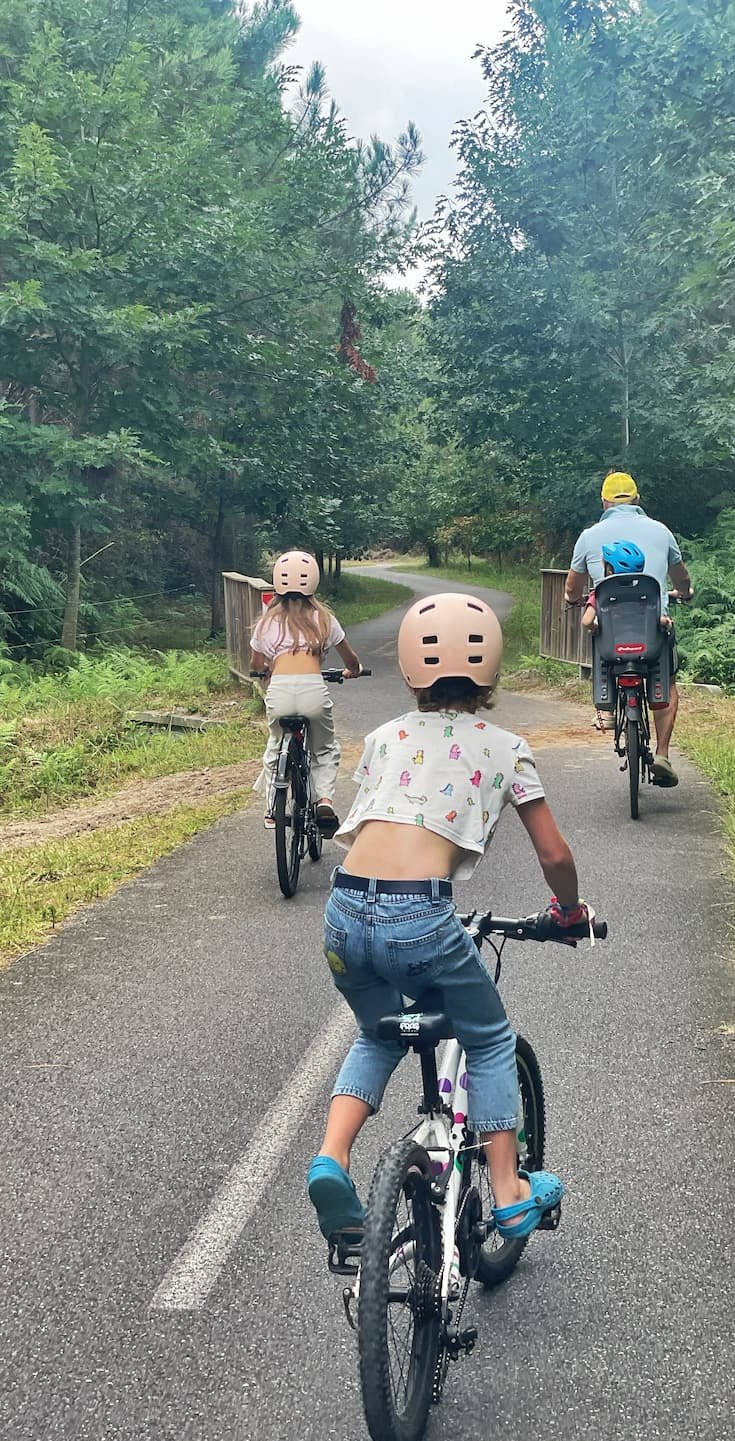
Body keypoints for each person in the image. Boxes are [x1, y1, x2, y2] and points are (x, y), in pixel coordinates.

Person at [305, 592, 591, 1245]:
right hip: (420, 916)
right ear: (493, 669)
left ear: (409, 671)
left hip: (346, 909)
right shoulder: (507, 747)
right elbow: (552, 852)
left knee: (379, 1032)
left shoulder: (382, 738)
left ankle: (332, 1158)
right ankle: (512, 1191)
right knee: (487, 1039)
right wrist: (568, 911)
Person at [564, 472, 693, 787]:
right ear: (637, 499)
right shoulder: (661, 532)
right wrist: (684, 594)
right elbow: (682, 580)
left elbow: (571, 588)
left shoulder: (589, 536)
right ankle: (661, 753)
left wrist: (575, 599)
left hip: (612, 635)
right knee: (667, 683)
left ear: (604, 502)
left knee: (599, 638)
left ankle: (605, 709)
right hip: (652, 630)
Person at [249, 550, 362, 835]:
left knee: (276, 743)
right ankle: (323, 799)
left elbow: (256, 664)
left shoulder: (267, 622)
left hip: (280, 690)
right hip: (314, 690)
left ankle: (272, 809)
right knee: (324, 749)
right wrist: (354, 670)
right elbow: (350, 660)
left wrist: (264, 674)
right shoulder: (325, 619)